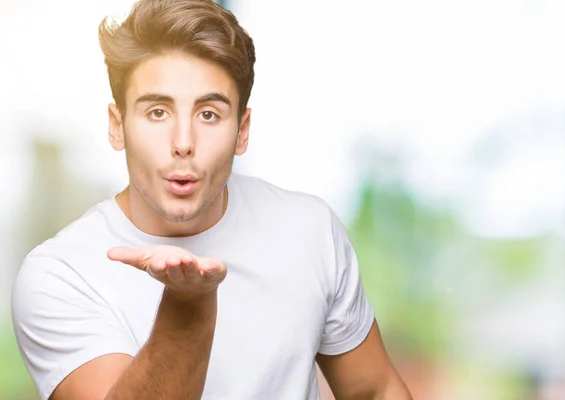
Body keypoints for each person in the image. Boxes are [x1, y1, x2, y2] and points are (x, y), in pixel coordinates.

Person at [11, 1, 413, 399]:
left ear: (242, 130)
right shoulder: (61, 273)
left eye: (208, 114)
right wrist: (188, 306)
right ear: (118, 127)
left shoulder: (308, 229)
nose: (183, 144)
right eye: (157, 112)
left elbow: (376, 389)